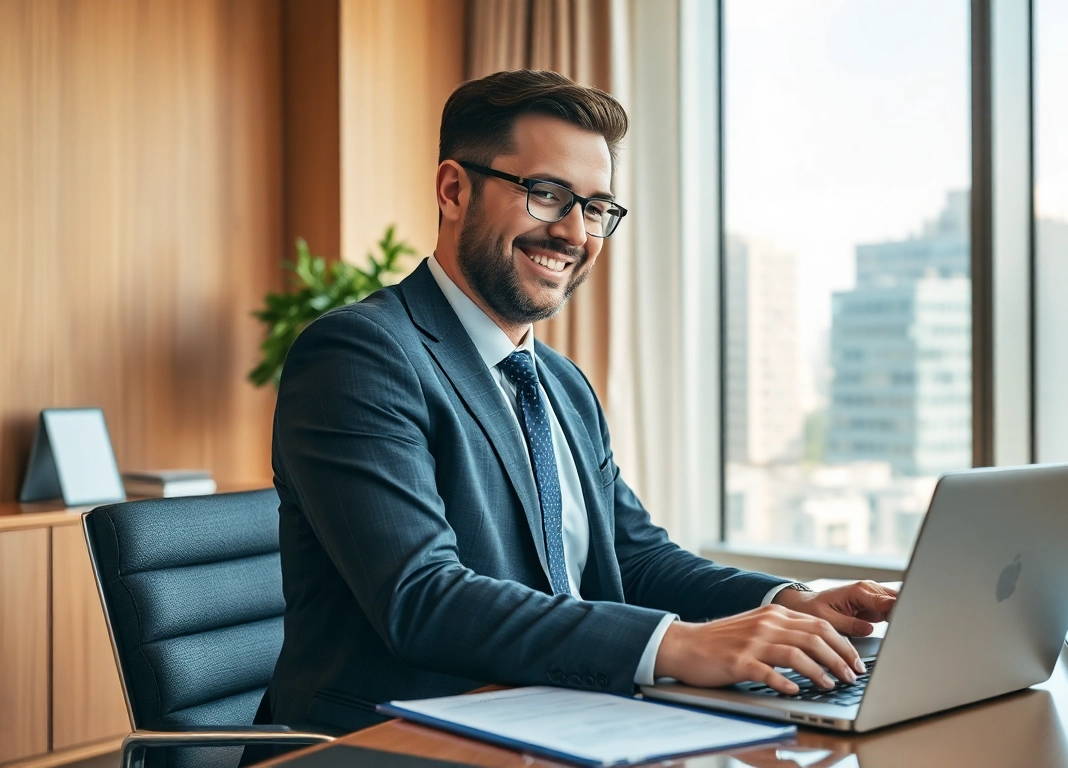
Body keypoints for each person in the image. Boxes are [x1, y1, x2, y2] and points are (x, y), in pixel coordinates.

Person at [264, 69, 899, 733]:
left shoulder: (559, 383)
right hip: (398, 742)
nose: (574, 233)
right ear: (454, 190)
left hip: (560, 725)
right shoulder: (360, 354)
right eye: (546, 194)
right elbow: (423, 598)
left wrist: (791, 603)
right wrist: (675, 645)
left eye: (596, 208)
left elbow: (634, 558)